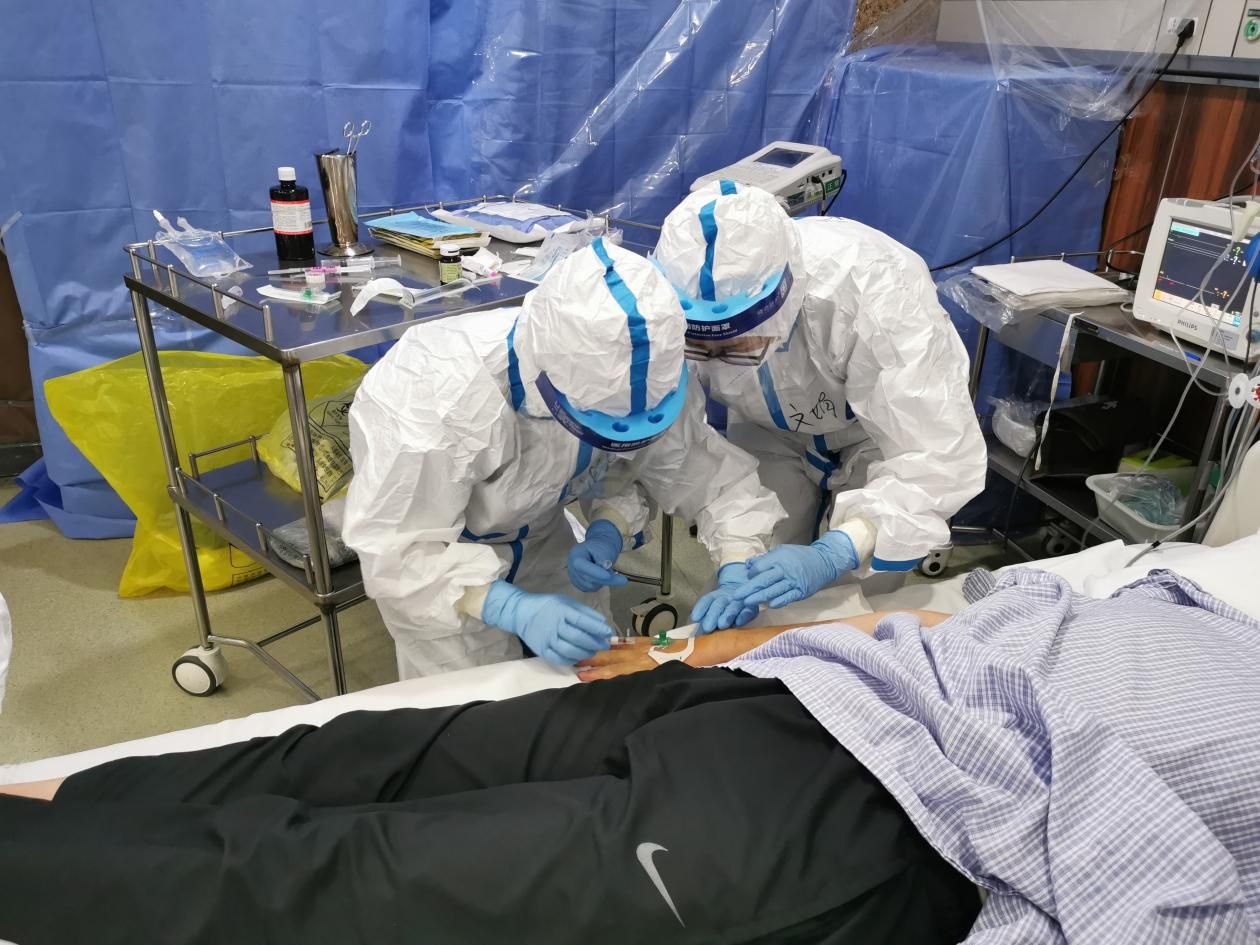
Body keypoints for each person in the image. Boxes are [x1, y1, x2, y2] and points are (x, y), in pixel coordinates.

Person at [4, 567, 1258, 944]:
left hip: (846, 773)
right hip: (809, 738)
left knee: (360, 825)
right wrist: (691, 652)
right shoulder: (1189, 604)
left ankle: (49, 826)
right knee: (364, 790)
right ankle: (53, 819)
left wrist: (711, 659)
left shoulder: (1182, 608)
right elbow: (938, 626)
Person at [342, 238, 785, 678]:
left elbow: (702, 477)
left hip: (544, 537)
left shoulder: (651, 375)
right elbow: (396, 550)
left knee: (593, 678)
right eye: (597, 421)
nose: (619, 433)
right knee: (473, 703)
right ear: (548, 384)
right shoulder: (433, 391)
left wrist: (731, 562)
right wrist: (503, 605)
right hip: (440, 562)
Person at [652, 182, 987, 632]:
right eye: (702, 344)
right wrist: (735, 553)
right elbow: (689, 449)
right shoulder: (668, 304)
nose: (719, 356)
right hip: (768, 432)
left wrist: (839, 551)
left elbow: (935, 456)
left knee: (858, 605)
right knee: (756, 579)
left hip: (875, 437)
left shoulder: (875, 287)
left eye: (739, 342)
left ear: (783, 297)